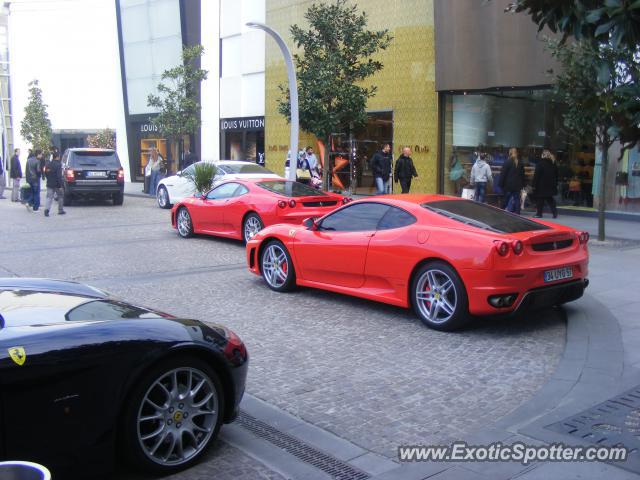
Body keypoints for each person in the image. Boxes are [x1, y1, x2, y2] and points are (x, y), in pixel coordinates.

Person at [532, 149, 558, 218]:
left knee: (540, 200)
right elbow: (556, 175)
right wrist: (555, 184)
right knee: (550, 199)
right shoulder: (553, 163)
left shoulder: (540, 164)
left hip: (541, 185)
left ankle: (539, 214)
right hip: (550, 185)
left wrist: (533, 185)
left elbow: (536, 176)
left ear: (543, 155)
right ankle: (554, 213)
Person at [499, 147, 526, 214]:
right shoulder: (520, 163)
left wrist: (500, 184)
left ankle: (500, 212)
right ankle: (517, 213)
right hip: (517, 185)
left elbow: (503, 174)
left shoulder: (507, 162)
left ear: (510, 153)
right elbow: (523, 175)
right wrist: (523, 184)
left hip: (508, 185)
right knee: (517, 199)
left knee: (506, 199)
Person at [43, 152, 65, 217]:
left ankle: (46, 210)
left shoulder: (48, 164)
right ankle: (60, 210)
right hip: (57, 184)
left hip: (49, 183)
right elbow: (59, 176)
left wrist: (49, 179)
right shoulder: (58, 165)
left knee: (49, 197)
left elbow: (46, 172)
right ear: (57, 157)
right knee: (60, 196)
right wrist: (60, 185)